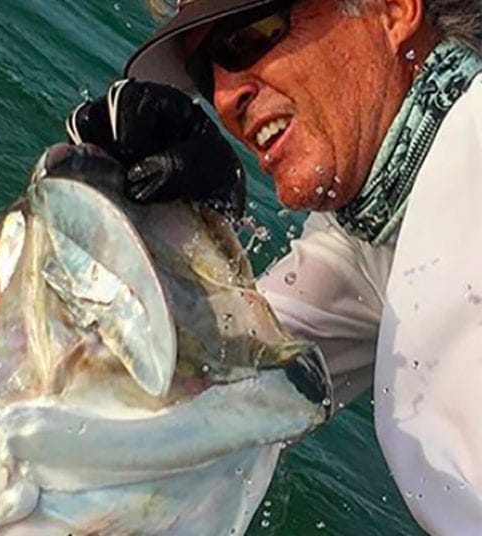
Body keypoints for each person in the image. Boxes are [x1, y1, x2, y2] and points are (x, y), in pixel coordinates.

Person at [62, 0, 481, 533]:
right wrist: (146, 232)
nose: (223, 96)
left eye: (248, 35)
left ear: (394, 9)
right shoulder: (367, 239)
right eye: (204, 70)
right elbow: (197, 398)